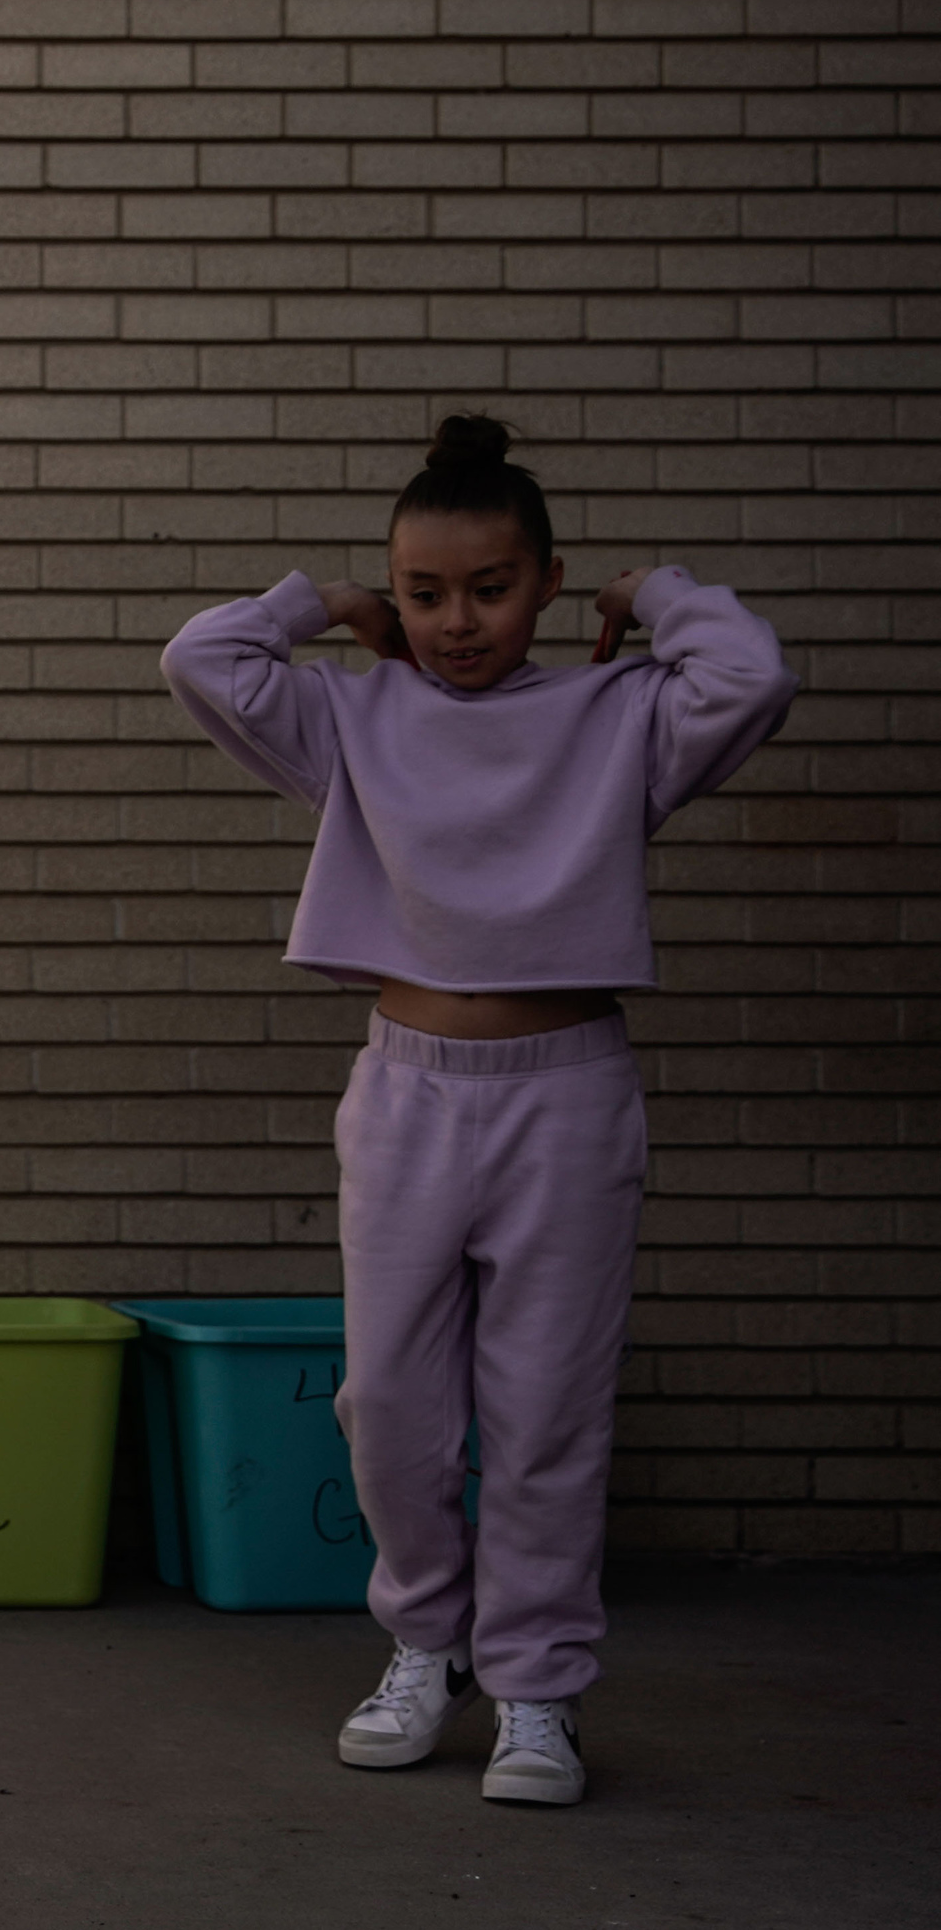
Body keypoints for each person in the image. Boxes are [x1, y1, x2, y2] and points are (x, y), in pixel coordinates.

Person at [160, 415, 796, 1806]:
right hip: (406, 1091)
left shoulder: (621, 718)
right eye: (425, 591)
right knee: (388, 1401)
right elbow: (202, 661)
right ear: (395, 591)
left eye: (492, 588)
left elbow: (753, 673)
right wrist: (318, 608)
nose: (458, 622)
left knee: (548, 1408)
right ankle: (421, 1649)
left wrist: (661, 595)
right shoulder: (354, 716)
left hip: (567, 1095)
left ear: (549, 581)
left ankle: (538, 1691)